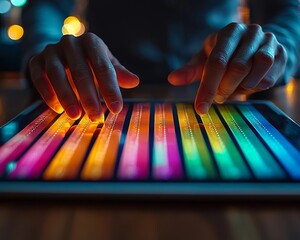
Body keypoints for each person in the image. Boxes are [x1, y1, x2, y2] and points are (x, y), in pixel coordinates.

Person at [21, 0, 300, 121]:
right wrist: (46, 54)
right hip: (104, 88)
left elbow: (288, 8)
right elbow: (46, 4)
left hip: (224, 85)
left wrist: (272, 51)